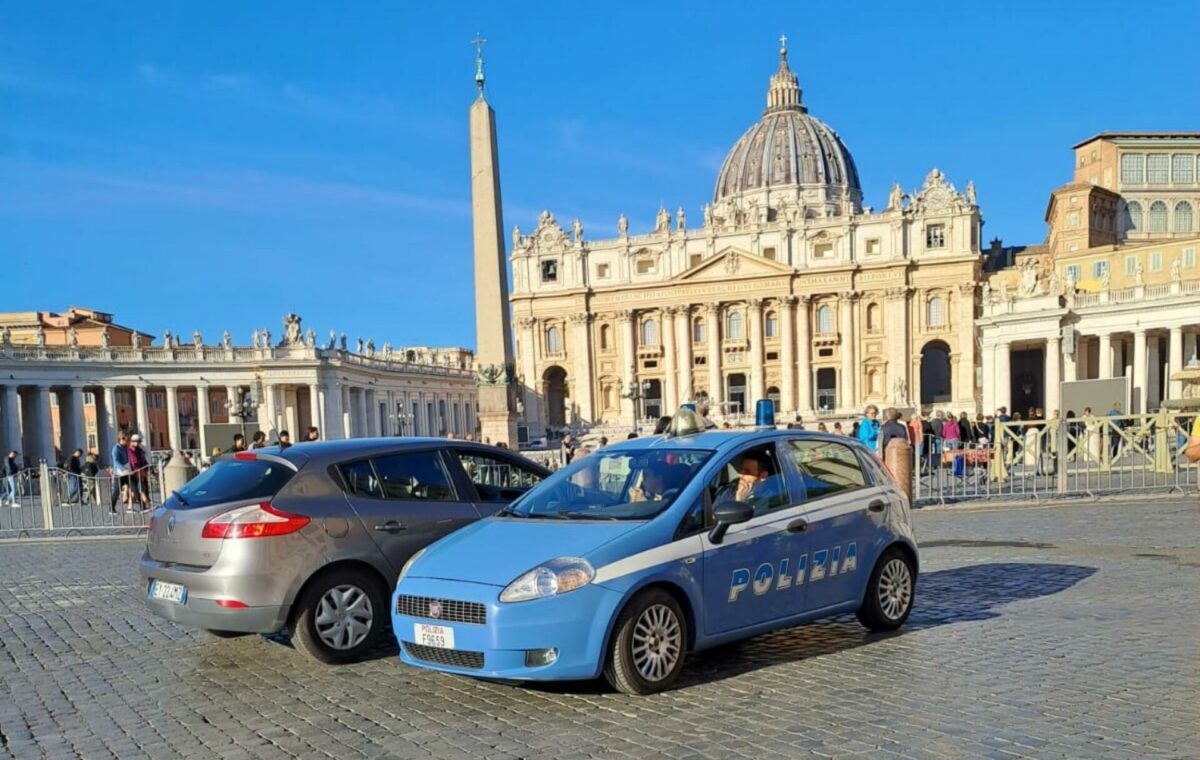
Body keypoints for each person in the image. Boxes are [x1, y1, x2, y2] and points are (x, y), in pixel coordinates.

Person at [127, 434, 151, 510]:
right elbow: (132, 462)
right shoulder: (129, 451)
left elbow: (143, 460)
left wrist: (148, 467)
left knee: (144, 488)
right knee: (138, 489)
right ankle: (145, 505)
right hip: (134, 472)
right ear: (131, 442)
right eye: (135, 442)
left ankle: (143, 506)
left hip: (141, 471)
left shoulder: (140, 450)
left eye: (138, 442)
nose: (137, 444)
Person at [110, 433, 131, 512]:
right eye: (125, 439)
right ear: (121, 439)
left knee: (134, 487)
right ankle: (112, 508)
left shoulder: (126, 448)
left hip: (127, 471)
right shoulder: (116, 448)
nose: (127, 441)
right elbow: (115, 461)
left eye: (127, 440)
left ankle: (142, 506)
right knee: (116, 491)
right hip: (118, 473)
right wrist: (123, 469)